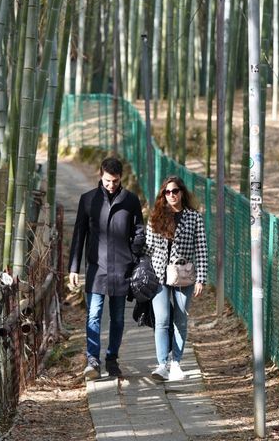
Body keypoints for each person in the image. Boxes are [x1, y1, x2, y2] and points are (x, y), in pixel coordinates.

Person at [68, 156, 145, 380]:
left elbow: (139, 230)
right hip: (96, 268)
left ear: (121, 178)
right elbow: (79, 235)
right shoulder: (88, 200)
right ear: (100, 176)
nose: (111, 185)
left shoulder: (130, 200)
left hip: (122, 268)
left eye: (115, 181)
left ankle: (112, 358)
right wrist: (74, 268)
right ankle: (92, 360)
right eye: (108, 181)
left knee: (118, 318)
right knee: (93, 315)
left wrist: (133, 254)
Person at [144, 175, 207, 382]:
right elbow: (148, 246)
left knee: (180, 319)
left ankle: (176, 363)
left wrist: (201, 278)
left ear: (182, 193)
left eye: (175, 191)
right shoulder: (156, 216)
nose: (172, 195)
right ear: (163, 195)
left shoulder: (194, 217)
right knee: (162, 320)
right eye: (167, 192)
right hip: (159, 274)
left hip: (184, 274)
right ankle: (162, 364)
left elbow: (202, 248)